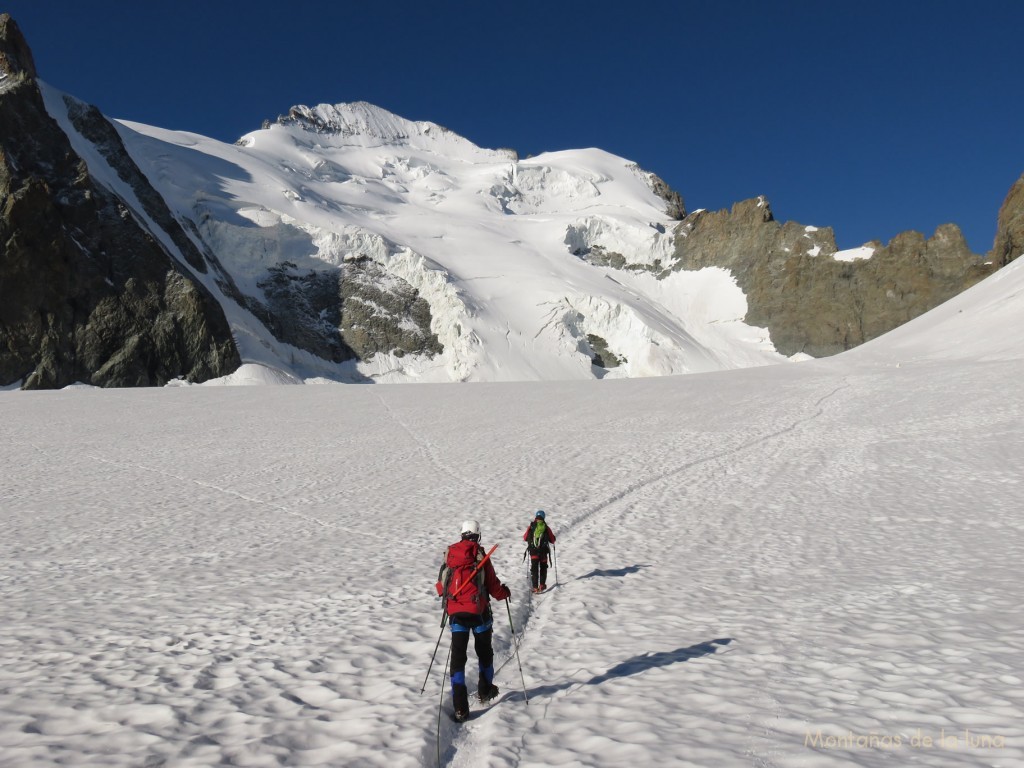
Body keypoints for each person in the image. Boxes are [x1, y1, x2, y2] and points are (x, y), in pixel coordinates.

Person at [436, 520, 511, 722]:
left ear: (462, 534)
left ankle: (460, 708)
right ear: (477, 535)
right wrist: (504, 593)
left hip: (457, 615)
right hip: (479, 615)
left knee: (458, 660)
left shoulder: (450, 555)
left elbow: (441, 587)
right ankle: (485, 691)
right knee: (484, 653)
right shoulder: (480, 555)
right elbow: (494, 586)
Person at [523, 510, 556, 593]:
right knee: (543, 567)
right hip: (543, 552)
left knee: (534, 569)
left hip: (533, 552)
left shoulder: (531, 526)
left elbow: (525, 537)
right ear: (544, 517)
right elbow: (552, 540)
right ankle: (542, 585)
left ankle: (535, 587)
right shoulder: (546, 527)